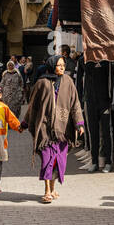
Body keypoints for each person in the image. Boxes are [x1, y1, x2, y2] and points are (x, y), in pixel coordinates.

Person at [22, 55, 85, 203]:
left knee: (58, 161)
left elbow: (75, 104)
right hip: (45, 127)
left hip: (63, 129)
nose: (62, 67)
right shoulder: (41, 83)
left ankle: (53, 186)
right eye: (59, 65)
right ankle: (47, 191)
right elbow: (33, 106)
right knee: (47, 159)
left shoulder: (68, 82)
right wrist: (25, 123)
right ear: (51, 66)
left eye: (63, 65)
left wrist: (79, 123)